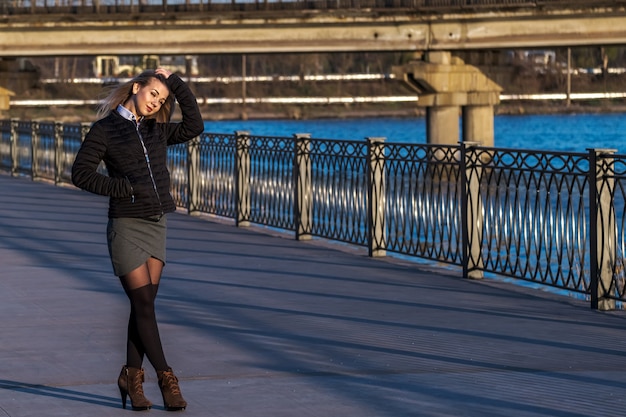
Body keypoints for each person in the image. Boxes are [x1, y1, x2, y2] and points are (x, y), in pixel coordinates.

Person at [71, 68, 204, 411]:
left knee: (142, 307)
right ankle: (166, 378)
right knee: (144, 305)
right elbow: (81, 173)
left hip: (156, 223)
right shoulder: (105, 130)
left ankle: (130, 377)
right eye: (152, 94)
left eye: (161, 100)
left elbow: (195, 125)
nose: (155, 103)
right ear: (136, 88)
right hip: (126, 225)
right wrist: (121, 187)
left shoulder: (156, 130)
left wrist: (174, 82)